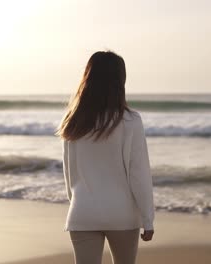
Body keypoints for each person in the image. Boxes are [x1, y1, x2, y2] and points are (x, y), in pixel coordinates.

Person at [54, 50, 155, 264]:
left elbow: (69, 174)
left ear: (88, 79)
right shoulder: (130, 121)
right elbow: (139, 175)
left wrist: (78, 203)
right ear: (120, 81)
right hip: (122, 215)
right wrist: (148, 219)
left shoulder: (73, 122)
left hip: (82, 212)